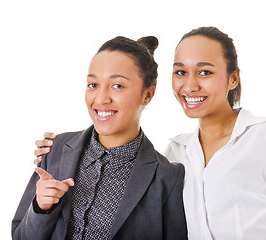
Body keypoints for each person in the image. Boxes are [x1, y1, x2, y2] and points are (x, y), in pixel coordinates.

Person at [33, 27, 266, 240]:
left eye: (204, 72)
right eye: (180, 72)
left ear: (232, 78)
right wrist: (64, 148)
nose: (189, 85)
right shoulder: (176, 153)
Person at [12, 36, 187, 240]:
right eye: (93, 85)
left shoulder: (166, 177)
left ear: (147, 95)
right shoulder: (55, 148)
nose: (101, 99)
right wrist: (41, 208)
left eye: (117, 86)